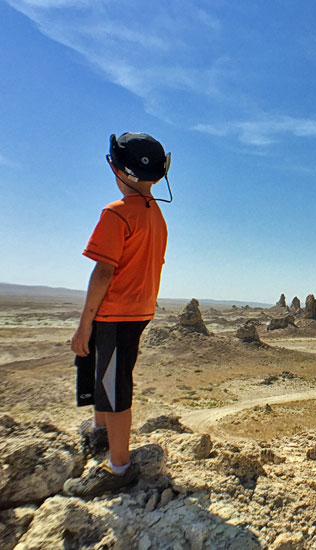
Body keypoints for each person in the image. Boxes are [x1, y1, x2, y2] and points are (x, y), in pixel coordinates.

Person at [64, 133, 170, 498]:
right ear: (160, 173)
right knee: (101, 373)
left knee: (113, 389)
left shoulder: (116, 213)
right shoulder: (156, 215)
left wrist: (84, 323)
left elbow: (103, 273)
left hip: (114, 313)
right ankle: (99, 434)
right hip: (138, 311)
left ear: (116, 168)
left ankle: (118, 467)